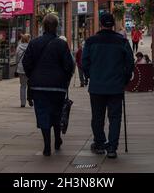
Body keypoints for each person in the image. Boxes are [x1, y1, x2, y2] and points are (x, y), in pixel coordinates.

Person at [82, 12, 134, 159]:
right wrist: (125, 78)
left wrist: (90, 76)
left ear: (101, 24)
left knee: (97, 117)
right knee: (115, 117)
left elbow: (84, 62)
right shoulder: (122, 41)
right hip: (116, 86)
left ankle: (99, 143)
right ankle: (112, 147)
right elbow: (129, 62)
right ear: (113, 25)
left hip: (97, 86)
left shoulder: (91, 41)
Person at [22, 14, 75, 156]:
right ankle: (57, 139)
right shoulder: (62, 44)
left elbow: (26, 63)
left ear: (43, 26)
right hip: (58, 86)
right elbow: (69, 65)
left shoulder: (34, 43)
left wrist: (33, 76)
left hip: (38, 86)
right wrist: (65, 78)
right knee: (56, 113)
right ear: (56, 27)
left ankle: (47, 146)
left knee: (43, 113)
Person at [15, 34, 31, 108]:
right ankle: (30, 99)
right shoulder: (31, 47)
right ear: (28, 39)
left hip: (21, 69)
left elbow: (17, 59)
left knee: (23, 86)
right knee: (30, 85)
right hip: (29, 69)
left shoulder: (18, 47)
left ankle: (22, 103)